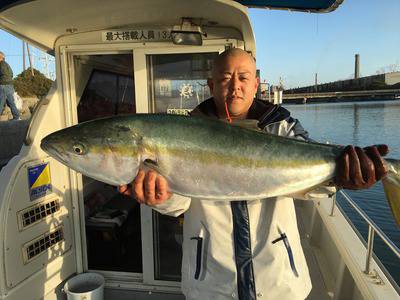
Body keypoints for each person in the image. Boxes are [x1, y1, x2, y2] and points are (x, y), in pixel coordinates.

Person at [119, 48, 388, 300]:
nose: (235, 86)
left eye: (243, 77)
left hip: (278, 280)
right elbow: (182, 202)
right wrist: (161, 197)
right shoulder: (184, 134)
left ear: (256, 85)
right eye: (225, 78)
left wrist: (340, 179)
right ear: (211, 85)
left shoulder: (282, 128)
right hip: (212, 282)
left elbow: (311, 186)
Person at [0, 51, 21, 120]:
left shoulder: (1, 64)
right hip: (9, 85)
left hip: (3, 85)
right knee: (11, 102)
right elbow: (11, 74)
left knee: (1, 102)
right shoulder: (7, 64)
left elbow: (3, 73)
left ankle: (17, 117)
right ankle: (17, 117)